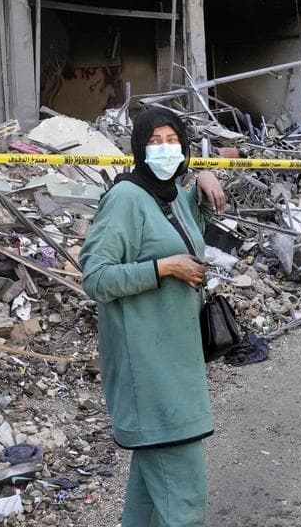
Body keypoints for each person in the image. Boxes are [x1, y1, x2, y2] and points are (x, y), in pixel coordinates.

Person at [79, 107, 226, 527]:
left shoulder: (173, 194)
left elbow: (190, 232)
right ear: (139, 149)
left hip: (176, 361)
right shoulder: (126, 198)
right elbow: (96, 277)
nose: (165, 149)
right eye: (155, 141)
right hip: (149, 371)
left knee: (148, 497)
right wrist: (163, 269)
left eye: (172, 140)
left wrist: (203, 179)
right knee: (183, 501)